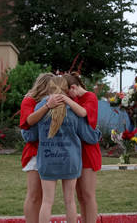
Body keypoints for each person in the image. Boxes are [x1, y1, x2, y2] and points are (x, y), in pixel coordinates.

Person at [22, 76, 102, 223]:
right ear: (66, 89)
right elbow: (88, 136)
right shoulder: (73, 108)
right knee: (70, 202)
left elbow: (31, 135)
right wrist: (98, 134)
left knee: (46, 202)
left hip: (47, 159)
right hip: (70, 159)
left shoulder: (40, 106)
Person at [20, 73, 64, 223]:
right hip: (34, 152)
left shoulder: (55, 100)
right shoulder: (29, 100)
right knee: (34, 195)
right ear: (45, 86)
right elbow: (27, 122)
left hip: (51, 152)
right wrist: (47, 106)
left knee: (46, 198)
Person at [63, 72, 100, 223]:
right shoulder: (75, 98)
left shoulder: (90, 96)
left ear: (73, 87)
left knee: (88, 194)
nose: (68, 96)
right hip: (75, 151)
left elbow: (83, 112)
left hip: (88, 151)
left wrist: (66, 100)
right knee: (79, 196)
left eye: (68, 93)